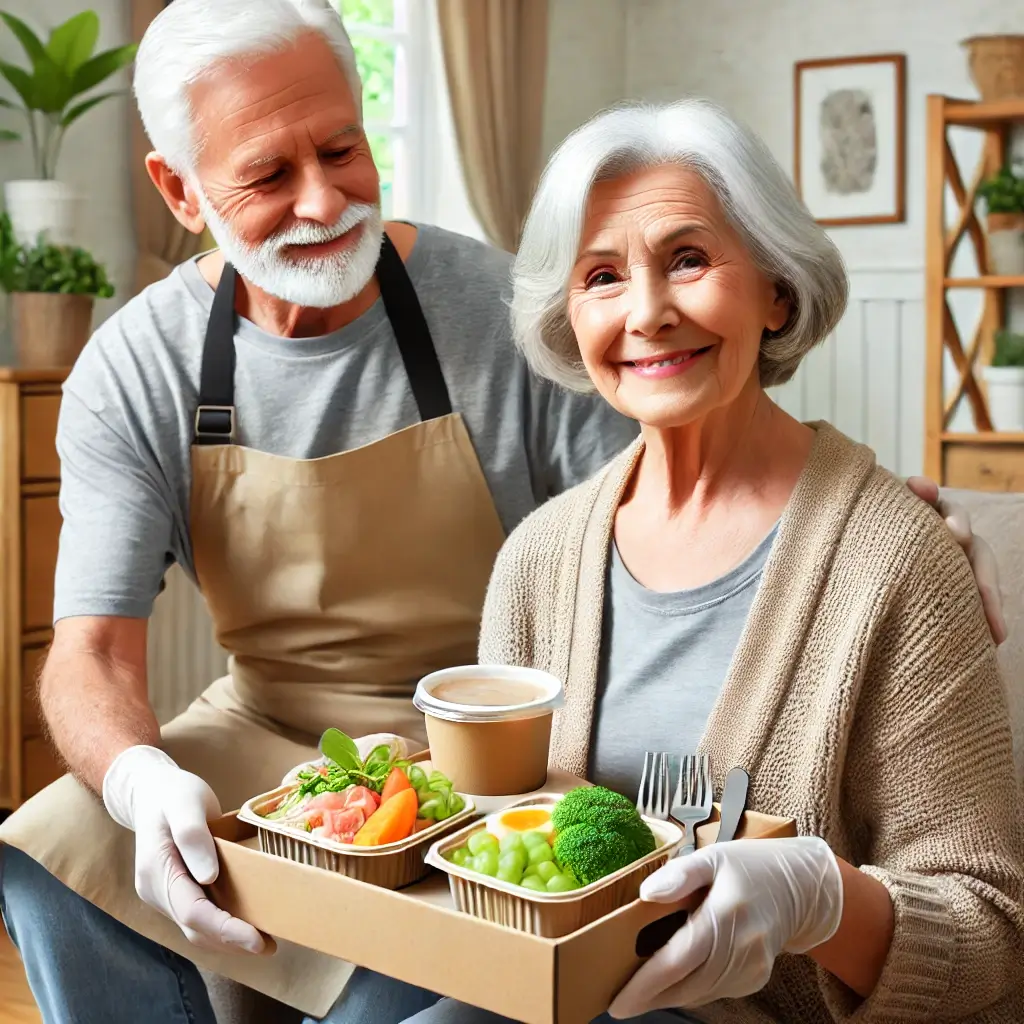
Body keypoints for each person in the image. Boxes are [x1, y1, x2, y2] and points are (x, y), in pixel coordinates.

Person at [0, 3, 1002, 1021]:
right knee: (49, 851)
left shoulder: (489, 307)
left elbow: (691, 441)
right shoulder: (137, 365)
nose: (321, 199)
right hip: (267, 730)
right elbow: (90, 654)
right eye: (267, 174)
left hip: (485, 739)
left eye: (342, 148)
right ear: (179, 188)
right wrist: (140, 783)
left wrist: (880, 525)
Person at [372, 99, 1024, 1024]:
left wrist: (820, 899)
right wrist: (398, 793)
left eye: (688, 259)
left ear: (777, 290)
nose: (647, 313)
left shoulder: (897, 563)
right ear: (570, 317)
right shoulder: (538, 560)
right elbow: (503, 841)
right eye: (602, 276)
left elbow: (994, 932)